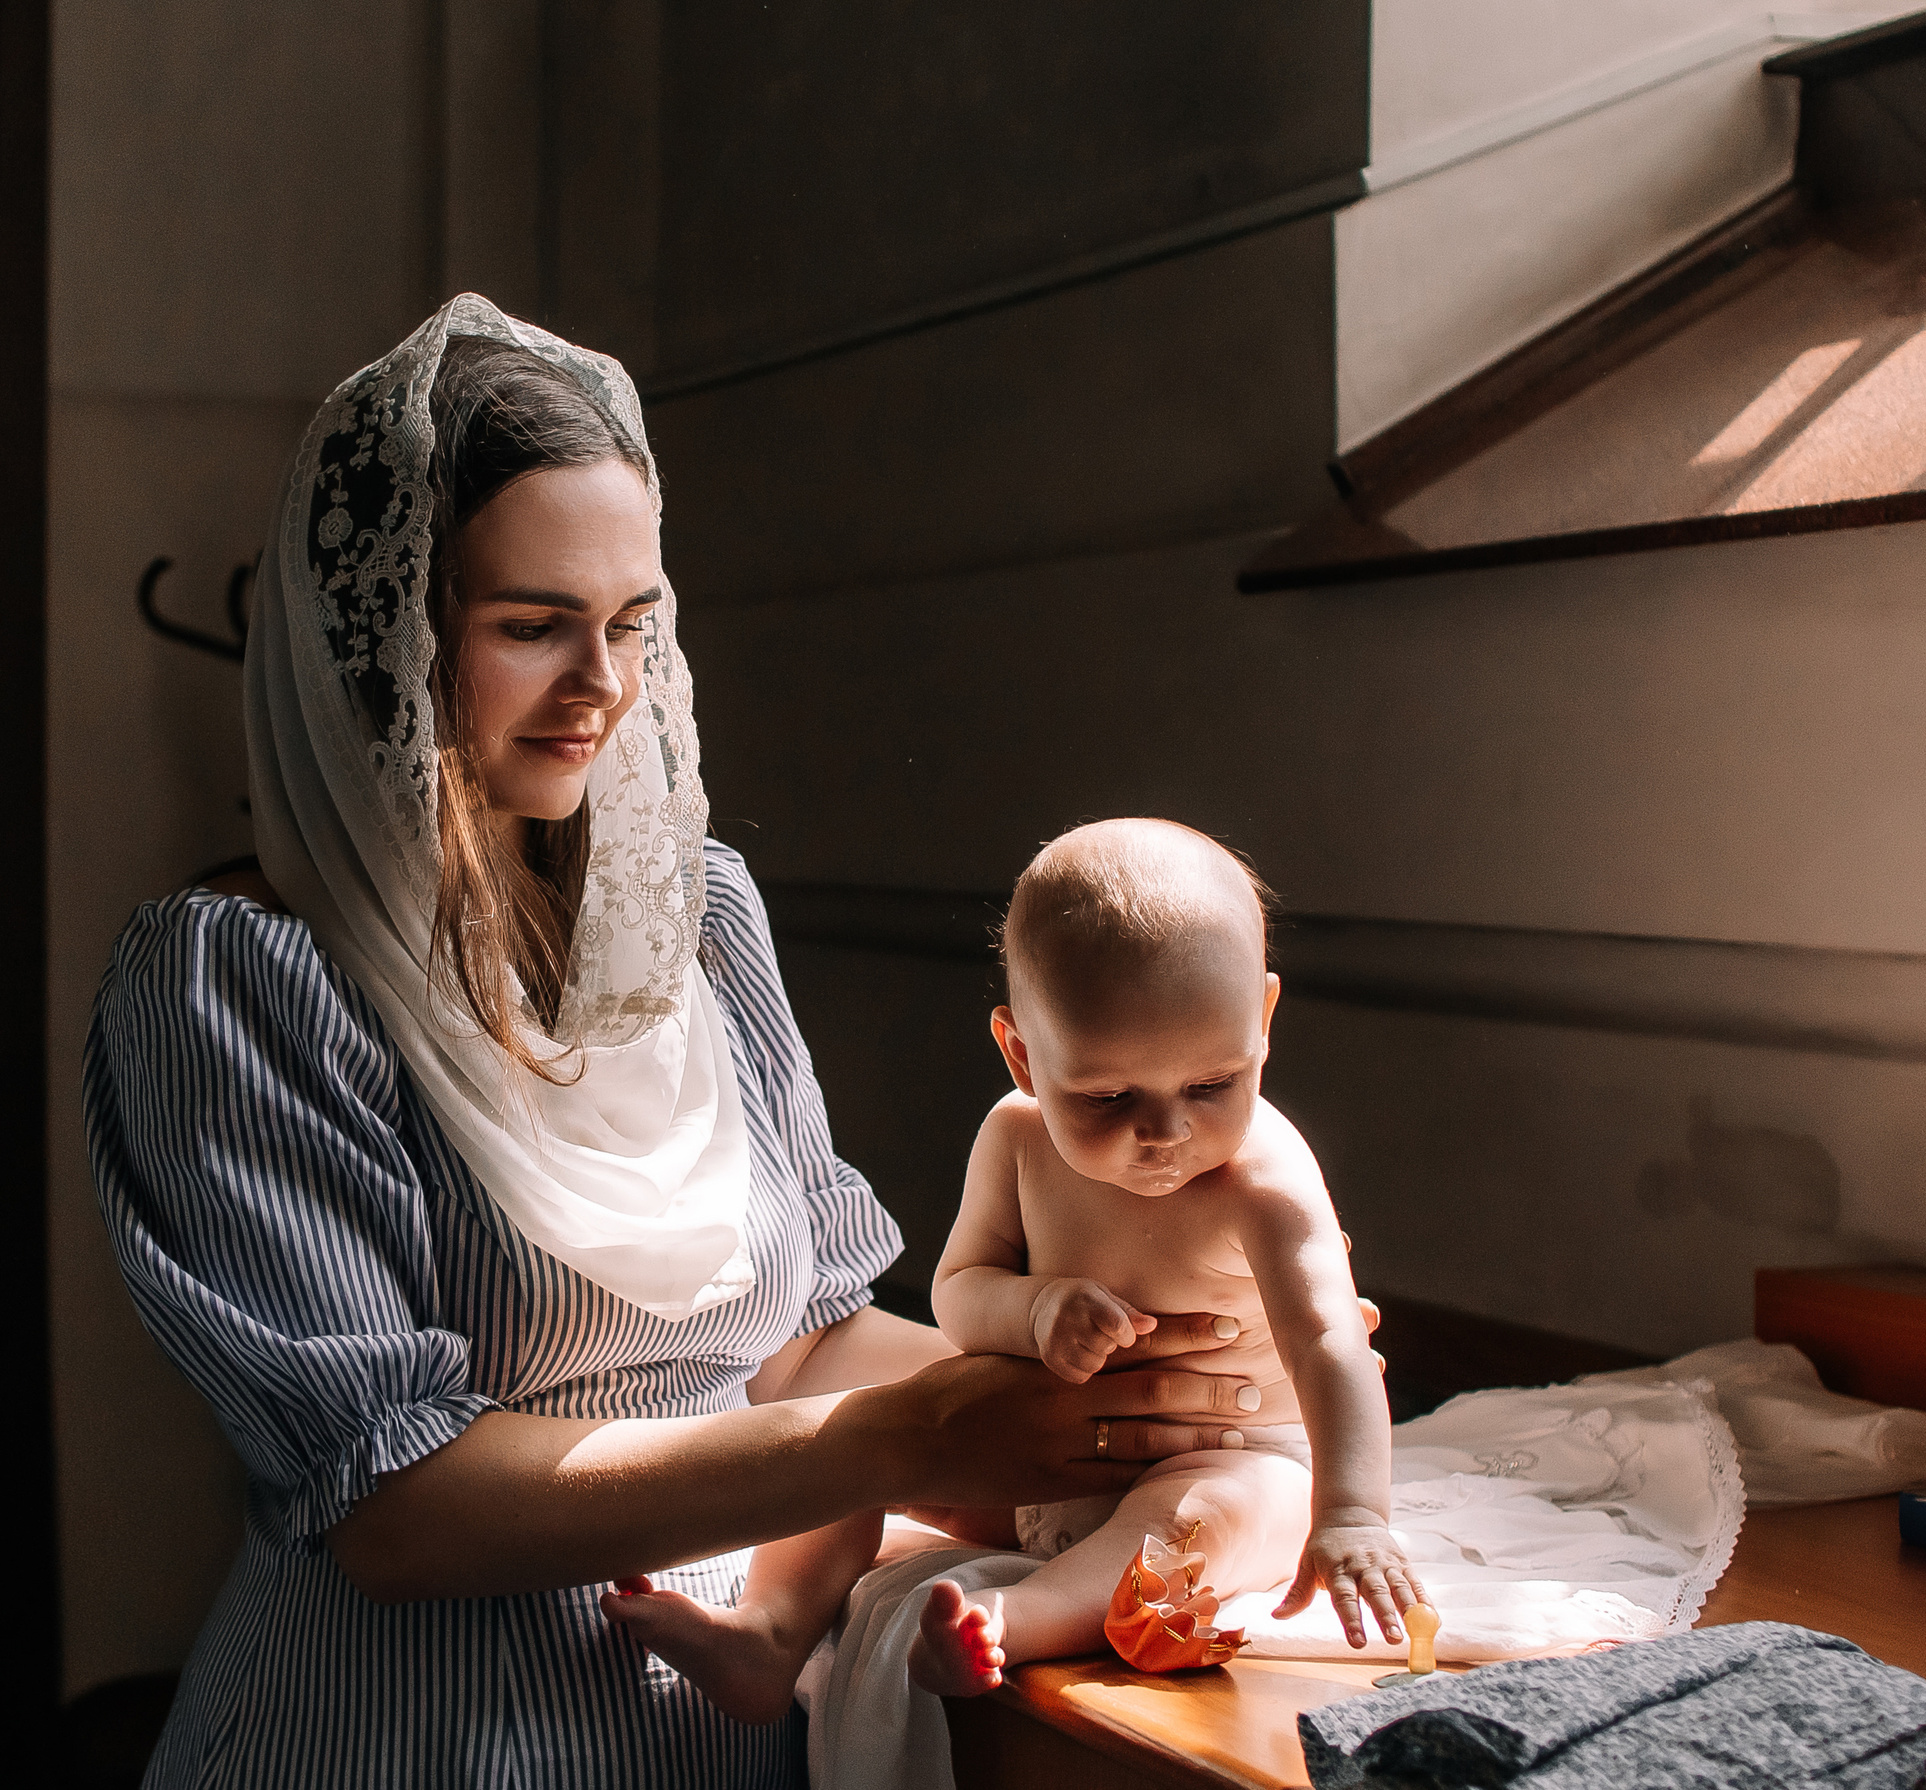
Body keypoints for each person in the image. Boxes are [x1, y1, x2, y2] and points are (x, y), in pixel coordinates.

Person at [84, 296, 1342, 1789]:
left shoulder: (698, 923)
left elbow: (799, 1336)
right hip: (402, 1739)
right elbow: (398, 1511)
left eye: (632, 623)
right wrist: (910, 1432)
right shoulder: (236, 985)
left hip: (720, 1731)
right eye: (531, 625)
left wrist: (1167, 1400)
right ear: (378, 638)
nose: (602, 686)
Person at [604, 820, 1422, 1715]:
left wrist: (1351, 1515)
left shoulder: (1264, 1177)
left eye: (1212, 1085)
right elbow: (960, 1295)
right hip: (1045, 1459)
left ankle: (1010, 1620)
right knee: (854, 1444)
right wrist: (1034, 1311)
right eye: (1108, 1097)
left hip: (1232, 1455)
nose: (1165, 1131)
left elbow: (1332, 1343)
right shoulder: (1016, 1139)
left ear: (1262, 1020)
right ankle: (768, 1632)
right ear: (1023, 1055)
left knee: (1191, 1524)